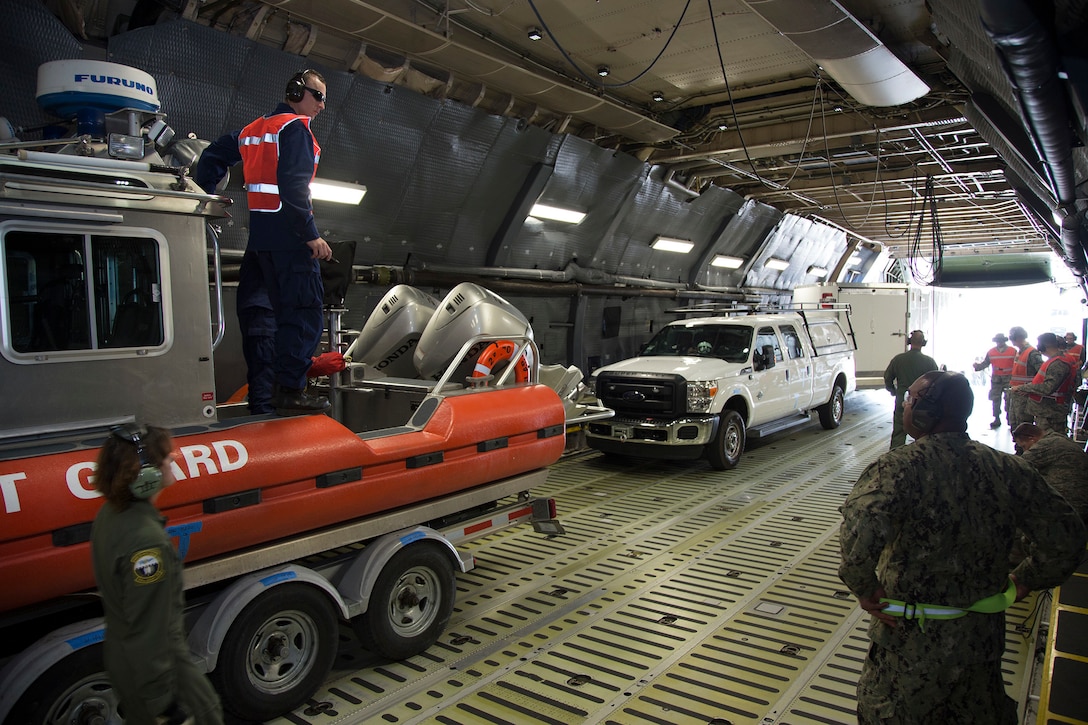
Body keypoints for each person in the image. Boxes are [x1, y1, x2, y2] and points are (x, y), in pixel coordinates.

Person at [839, 371, 1086, 725]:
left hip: (908, 642)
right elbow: (1067, 537)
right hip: (980, 639)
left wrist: (865, 589)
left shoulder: (894, 468)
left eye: (910, 400)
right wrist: (1025, 580)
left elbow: (857, 545)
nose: (905, 405)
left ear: (925, 413)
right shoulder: (1007, 468)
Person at [197, 69, 332, 415]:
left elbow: (212, 155)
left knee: (264, 320)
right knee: (303, 312)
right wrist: (310, 234)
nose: (321, 106)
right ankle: (289, 390)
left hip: (259, 243)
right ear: (296, 91)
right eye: (317, 96)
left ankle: (268, 394)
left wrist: (205, 200)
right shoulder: (296, 130)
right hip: (289, 239)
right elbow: (293, 186)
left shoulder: (253, 130)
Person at [90, 425, 224, 725]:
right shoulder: (146, 543)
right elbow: (150, 631)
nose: (173, 459)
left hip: (126, 660)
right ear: (145, 475)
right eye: (166, 457)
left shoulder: (110, 514)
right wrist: (161, 703)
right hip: (159, 670)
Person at [1011, 422, 1088, 525]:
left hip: (1071, 507)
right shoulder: (1055, 437)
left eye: (1024, 446)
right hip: (1080, 499)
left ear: (1032, 439)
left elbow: (1016, 467)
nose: (1025, 450)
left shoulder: (1045, 446)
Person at [1011, 332, 1080, 435]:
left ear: (1045, 345)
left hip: (1051, 413)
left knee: (1049, 442)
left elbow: (1047, 387)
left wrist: (1023, 388)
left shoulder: (1058, 363)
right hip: (1047, 411)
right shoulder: (1055, 360)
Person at [883, 330, 938, 449]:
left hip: (902, 400)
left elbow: (888, 378)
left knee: (898, 433)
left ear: (909, 342)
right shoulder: (929, 362)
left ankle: (895, 460)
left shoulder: (898, 359)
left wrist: (893, 391)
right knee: (923, 434)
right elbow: (936, 383)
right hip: (922, 403)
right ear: (923, 343)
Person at [973, 332, 1015, 428]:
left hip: (1009, 379)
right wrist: (977, 367)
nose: (999, 342)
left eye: (1001, 341)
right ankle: (996, 418)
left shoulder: (1013, 351)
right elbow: (985, 363)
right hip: (996, 380)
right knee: (995, 399)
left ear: (1004, 341)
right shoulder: (991, 352)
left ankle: (1010, 419)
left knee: (1009, 399)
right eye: (997, 341)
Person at [1007, 326, 1043, 428]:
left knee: (1024, 424)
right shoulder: (1020, 352)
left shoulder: (1032, 353)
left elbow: (1041, 373)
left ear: (1018, 337)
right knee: (1014, 422)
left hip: (1025, 395)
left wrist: (1029, 388)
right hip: (1016, 393)